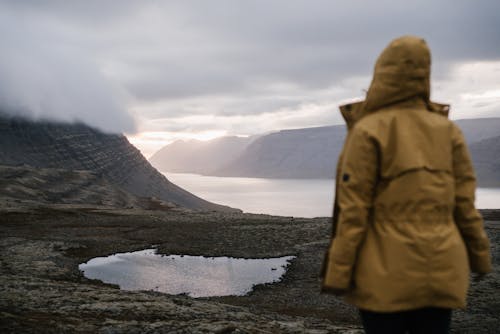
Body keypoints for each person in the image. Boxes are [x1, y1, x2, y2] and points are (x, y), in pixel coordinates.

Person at [321, 36, 492, 334]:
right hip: (441, 270)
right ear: (424, 76)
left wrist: (338, 273)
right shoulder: (448, 131)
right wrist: (479, 256)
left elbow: (354, 211)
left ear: (381, 74)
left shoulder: (369, 130)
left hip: (383, 276)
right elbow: (464, 205)